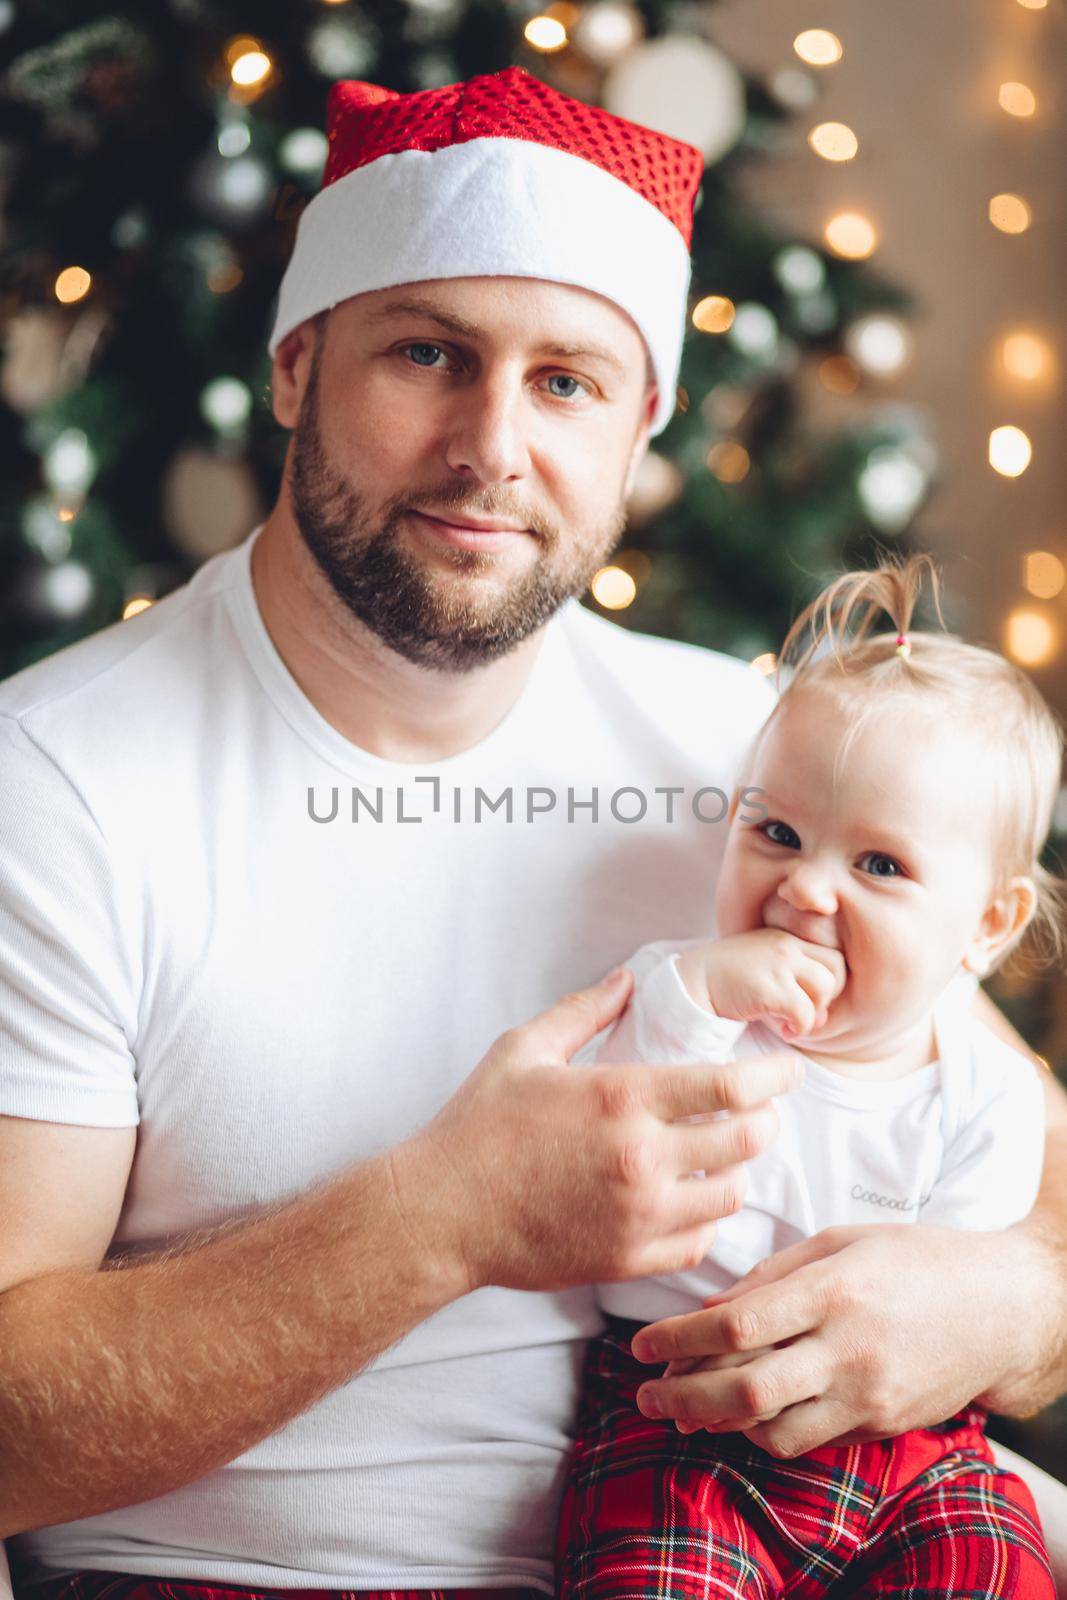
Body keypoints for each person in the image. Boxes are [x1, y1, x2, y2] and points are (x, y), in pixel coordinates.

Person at [0, 63, 1065, 1600]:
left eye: (565, 381)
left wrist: (1002, 1304)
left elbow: (1027, 1143)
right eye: (426, 353)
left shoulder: (757, 770)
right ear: (296, 365)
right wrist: (443, 1221)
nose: (492, 444)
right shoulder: (58, 785)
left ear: (640, 426)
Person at [556, 555, 1062, 1595]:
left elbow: (948, 1303)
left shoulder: (986, 1092)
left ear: (985, 924)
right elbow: (617, 1152)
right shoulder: (683, 1004)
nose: (804, 887)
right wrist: (698, 994)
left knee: (986, 1559)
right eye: (775, 832)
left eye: (877, 866)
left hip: (910, 1448)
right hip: (682, 1425)